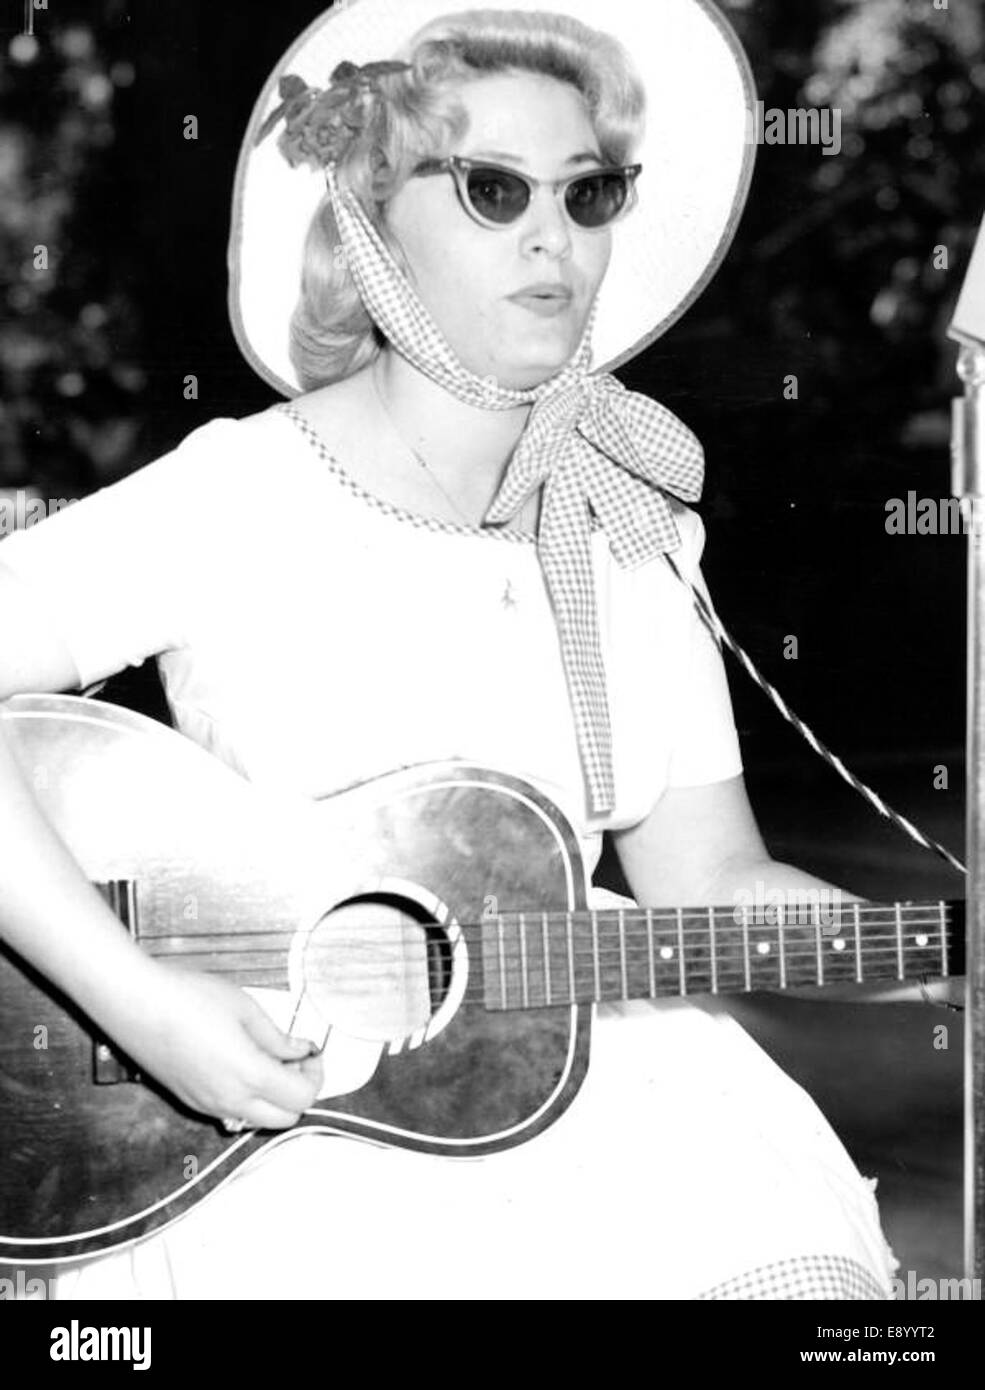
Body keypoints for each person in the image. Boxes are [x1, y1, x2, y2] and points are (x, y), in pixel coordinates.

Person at [0, 0, 898, 1299]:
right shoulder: (239, 491)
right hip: (292, 1108)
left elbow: (715, 880)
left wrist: (951, 961)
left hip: (617, 1080)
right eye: (492, 188)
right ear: (369, 215)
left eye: (588, 193)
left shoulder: (624, 521)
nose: (554, 235)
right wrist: (140, 1001)